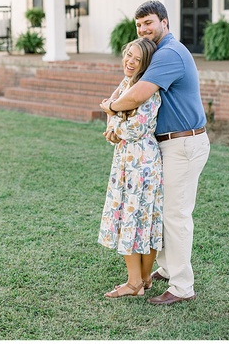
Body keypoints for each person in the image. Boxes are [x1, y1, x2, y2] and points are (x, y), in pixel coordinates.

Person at [100, 0, 210, 306]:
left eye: (149, 22)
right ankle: (165, 267)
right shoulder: (157, 54)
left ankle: (182, 286)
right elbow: (130, 91)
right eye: (139, 25)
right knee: (161, 211)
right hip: (167, 143)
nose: (144, 29)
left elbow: (136, 96)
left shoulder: (169, 53)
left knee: (175, 215)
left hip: (183, 143)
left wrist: (109, 107)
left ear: (165, 22)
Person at [98, 37, 163, 298]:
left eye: (137, 59)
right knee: (135, 216)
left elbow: (137, 127)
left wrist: (115, 128)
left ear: (145, 64)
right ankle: (142, 279)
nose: (130, 61)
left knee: (138, 218)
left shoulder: (148, 90)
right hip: (127, 158)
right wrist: (113, 128)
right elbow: (110, 107)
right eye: (128, 54)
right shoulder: (127, 83)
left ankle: (137, 281)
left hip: (141, 163)